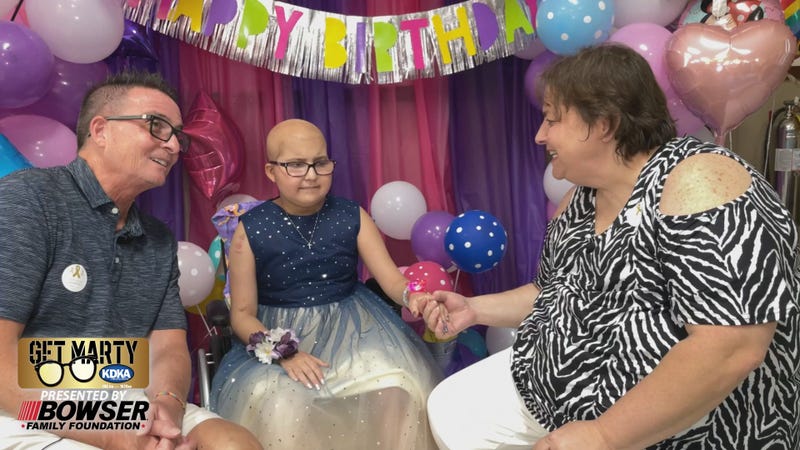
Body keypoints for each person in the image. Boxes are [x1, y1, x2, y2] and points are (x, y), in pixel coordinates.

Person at [423, 44, 799, 449]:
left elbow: (731, 347)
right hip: (554, 395)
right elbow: (551, 292)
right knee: (448, 409)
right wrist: (476, 309)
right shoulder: (580, 200)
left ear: (603, 124)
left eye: (552, 120)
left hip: (675, 430)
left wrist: (604, 434)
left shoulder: (698, 182)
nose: (539, 135)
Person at [0, 71, 262, 450]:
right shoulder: (28, 199)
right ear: (101, 130)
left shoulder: (157, 237)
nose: (173, 146)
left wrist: (167, 411)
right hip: (28, 403)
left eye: (178, 135)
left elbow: (168, 348)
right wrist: (110, 434)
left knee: (235, 444)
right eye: (157, 126)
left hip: (128, 400)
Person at [209, 118, 443, 448]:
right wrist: (285, 354)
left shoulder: (352, 215)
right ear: (271, 171)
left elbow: (392, 280)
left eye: (320, 163)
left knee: (403, 382)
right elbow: (242, 315)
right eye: (295, 165)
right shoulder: (251, 228)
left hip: (355, 328)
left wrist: (412, 297)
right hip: (280, 333)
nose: (311, 174)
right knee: (276, 399)